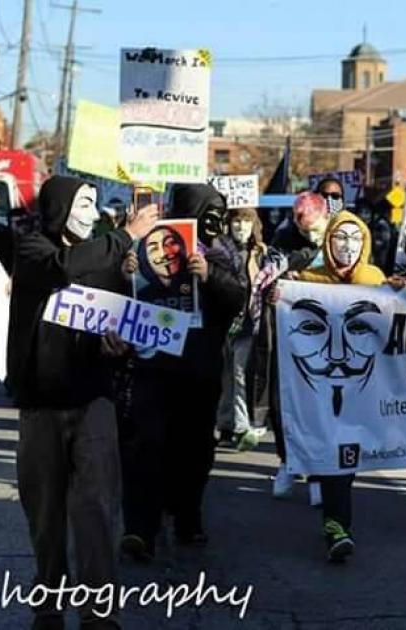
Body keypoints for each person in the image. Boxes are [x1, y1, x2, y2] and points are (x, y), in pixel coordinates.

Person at [8, 175, 158, 629]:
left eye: (95, 206)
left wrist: (117, 345)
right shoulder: (34, 249)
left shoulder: (110, 259)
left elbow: (113, 322)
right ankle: (49, 602)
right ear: (59, 207)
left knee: (95, 507)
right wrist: (126, 235)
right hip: (41, 406)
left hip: (93, 400)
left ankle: (99, 610)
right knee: (45, 509)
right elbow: (64, 267)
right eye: (85, 203)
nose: (93, 214)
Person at [120, 183, 245, 562]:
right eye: (205, 210)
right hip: (153, 366)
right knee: (146, 447)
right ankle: (140, 529)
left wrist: (210, 275)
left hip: (199, 371)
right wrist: (126, 269)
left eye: (218, 212)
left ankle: (187, 516)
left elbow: (239, 298)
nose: (214, 219)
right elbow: (124, 297)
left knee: (193, 451)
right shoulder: (150, 243)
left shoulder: (223, 253)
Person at [293, 209, 389, 562]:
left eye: (355, 239)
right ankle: (337, 527)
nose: (347, 246)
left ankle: (336, 518)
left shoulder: (375, 279)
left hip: (361, 385)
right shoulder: (307, 280)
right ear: (328, 242)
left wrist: (399, 295)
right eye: (340, 238)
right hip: (320, 385)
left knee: (346, 453)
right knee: (335, 451)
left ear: (364, 244)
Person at [268, 192, 330, 500]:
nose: (311, 235)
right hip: (290, 329)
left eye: (315, 228)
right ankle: (287, 461)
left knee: (319, 403)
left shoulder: (341, 235)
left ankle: (319, 474)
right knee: (283, 399)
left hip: (329, 334)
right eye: (304, 230)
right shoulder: (285, 239)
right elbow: (271, 269)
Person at [216, 207, 267, 451]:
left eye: (246, 222)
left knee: (240, 375)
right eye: (237, 222)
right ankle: (225, 424)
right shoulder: (219, 251)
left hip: (247, 324)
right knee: (225, 375)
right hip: (223, 323)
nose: (241, 227)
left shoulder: (260, 253)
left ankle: (241, 426)